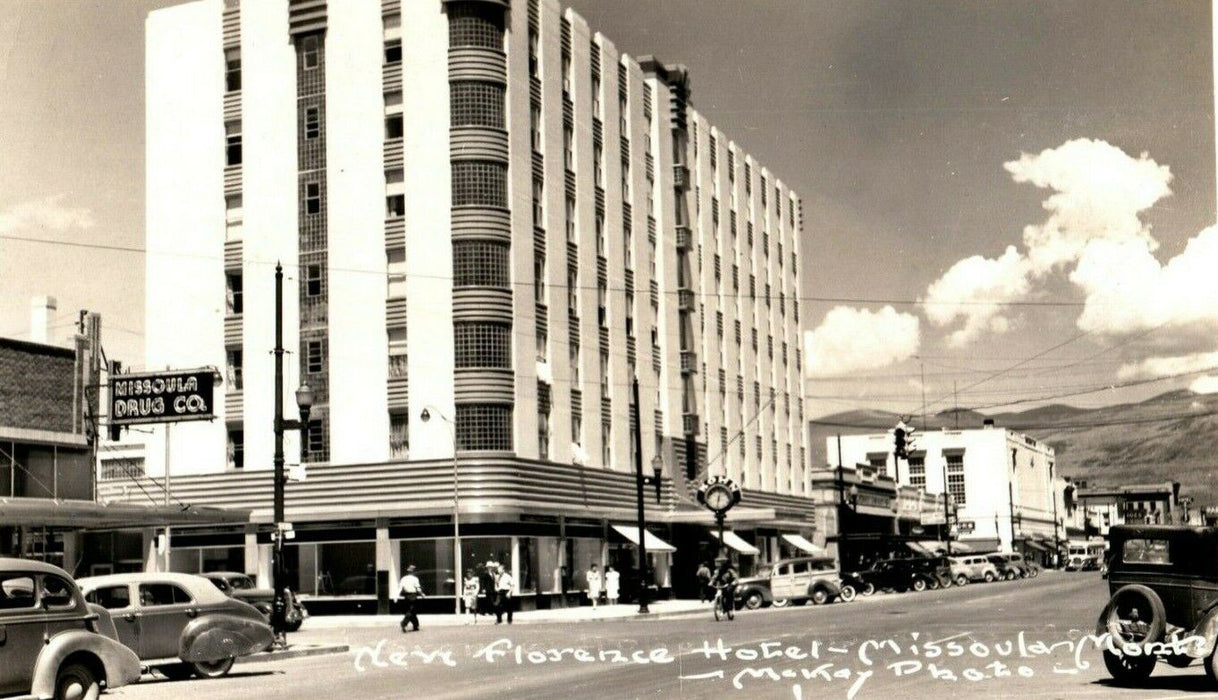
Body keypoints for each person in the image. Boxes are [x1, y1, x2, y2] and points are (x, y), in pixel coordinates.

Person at [396, 564, 425, 632]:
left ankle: (416, 625)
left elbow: (400, 588)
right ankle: (404, 623)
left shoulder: (403, 578)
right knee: (411, 611)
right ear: (414, 572)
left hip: (406, 596)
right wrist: (422, 594)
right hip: (413, 595)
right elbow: (418, 588)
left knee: (412, 611)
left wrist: (396, 596)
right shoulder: (415, 579)